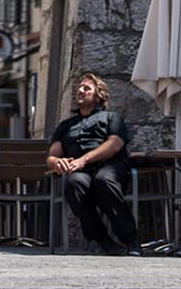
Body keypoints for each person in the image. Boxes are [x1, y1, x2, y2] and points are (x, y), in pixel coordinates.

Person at [47, 72, 140, 257]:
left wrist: (84, 159)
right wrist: (58, 162)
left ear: (99, 95)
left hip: (109, 166)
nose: (80, 91)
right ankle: (103, 241)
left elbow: (114, 144)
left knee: (103, 180)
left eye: (86, 88)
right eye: (79, 88)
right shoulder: (65, 125)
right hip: (80, 171)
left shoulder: (112, 118)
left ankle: (130, 239)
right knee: (74, 184)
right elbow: (51, 156)